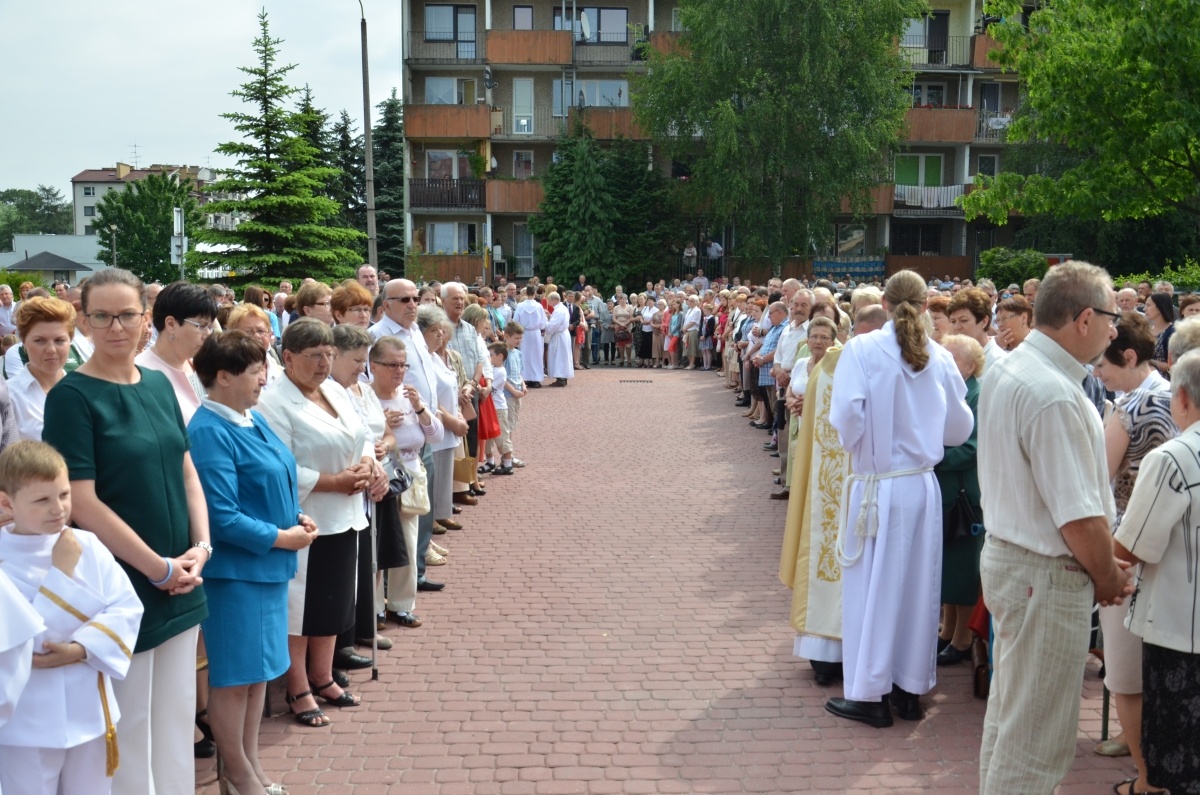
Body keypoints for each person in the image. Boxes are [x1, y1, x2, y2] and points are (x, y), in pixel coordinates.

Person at [42, 268, 210, 795]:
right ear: (85, 321)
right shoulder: (71, 396)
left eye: (127, 315)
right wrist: (157, 568)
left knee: (177, 719)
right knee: (130, 726)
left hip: (182, 578)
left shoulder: (159, 383)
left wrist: (200, 548)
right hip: (123, 585)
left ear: (146, 318)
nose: (116, 327)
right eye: (102, 316)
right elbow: (82, 502)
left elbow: (186, 471)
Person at [977, 261, 1133, 794]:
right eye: (1111, 319)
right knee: (1035, 744)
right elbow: (1078, 518)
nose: (1114, 332)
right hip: (1043, 573)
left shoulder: (1016, 369)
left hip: (1018, 562)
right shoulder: (1054, 392)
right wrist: (1107, 577)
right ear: (1085, 318)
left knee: (1013, 721)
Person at [825, 270, 973, 729]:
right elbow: (959, 429)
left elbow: (846, 417)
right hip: (921, 486)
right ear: (926, 305)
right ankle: (909, 691)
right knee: (917, 589)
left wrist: (866, 448)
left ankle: (871, 694)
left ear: (884, 304)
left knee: (873, 589)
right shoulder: (940, 355)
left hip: (878, 485)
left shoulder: (863, 349)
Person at [189, 332, 316, 794]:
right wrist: (283, 537)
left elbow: (276, 476)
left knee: (258, 674)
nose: (265, 378)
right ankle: (238, 773)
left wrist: (295, 515)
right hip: (235, 575)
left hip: (266, 569)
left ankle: (249, 765)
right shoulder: (208, 430)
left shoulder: (250, 418)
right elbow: (221, 515)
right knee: (234, 678)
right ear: (223, 377)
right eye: (256, 370)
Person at [257, 319, 386, 727]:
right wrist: (334, 481)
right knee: (302, 609)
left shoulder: (335, 390)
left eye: (329, 354)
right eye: (314, 356)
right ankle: (297, 687)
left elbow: (361, 435)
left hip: (348, 515)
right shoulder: (272, 403)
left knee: (334, 602)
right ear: (288, 357)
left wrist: (367, 463)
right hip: (307, 517)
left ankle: (323, 676)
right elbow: (279, 466)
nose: (324, 364)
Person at [0, 440, 143, 795]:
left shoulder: (87, 544)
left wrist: (80, 649)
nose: (58, 509)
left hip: (89, 711)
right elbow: (29, 643)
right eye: (41, 500)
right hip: (26, 724)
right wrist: (61, 575)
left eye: (64, 495)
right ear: (6, 503)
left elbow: (127, 608)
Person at [1091, 311, 1176, 792]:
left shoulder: (1131, 408)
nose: (1097, 374)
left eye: (1103, 365)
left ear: (1128, 356)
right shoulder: (1172, 394)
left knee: (1126, 672)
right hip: (1172, 546)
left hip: (1129, 542)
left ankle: (1146, 778)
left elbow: (1096, 477)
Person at [1115, 347, 1200, 795]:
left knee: (1181, 759)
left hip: (1181, 630)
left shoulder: (1174, 457)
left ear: (1181, 397)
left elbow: (1132, 546)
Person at [778, 316, 844, 684]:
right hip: (830, 476)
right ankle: (824, 654)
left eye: (824, 336)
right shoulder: (827, 366)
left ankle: (832, 655)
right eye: (814, 336)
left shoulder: (840, 364)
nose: (818, 341)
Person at [371, 279, 444, 592]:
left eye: (416, 298)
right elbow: (367, 387)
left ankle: (417, 573)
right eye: (405, 300)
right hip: (395, 442)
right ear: (386, 304)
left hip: (422, 430)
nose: (413, 304)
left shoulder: (415, 331)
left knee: (420, 512)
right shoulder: (377, 336)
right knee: (396, 524)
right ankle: (391, 588)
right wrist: (380, 418)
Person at [933, 335, 985, 667]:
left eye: (954, 359)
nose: (947, 364)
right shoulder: (949, 390)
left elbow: (972, 447)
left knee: (964, 566)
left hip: (965, 494)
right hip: (946, 490)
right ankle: (948, 630)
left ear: (971, 365)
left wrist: (932, 458)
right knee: (948, 565)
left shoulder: (977, 394)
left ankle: (963, 638)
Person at [136, 282, 217, 425]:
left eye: (210, 327)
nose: (207, 334)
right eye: (201, 326)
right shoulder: (138, 374)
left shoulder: (201, 365)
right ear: (171, 324)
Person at [418, 306, 469, 533]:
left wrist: (458, 414)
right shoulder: (424, 360)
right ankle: (432, 519)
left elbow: (451, 387)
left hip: (449, 423)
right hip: (438, 424)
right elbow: (430, 399)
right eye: (434, 330)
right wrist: (452, 421)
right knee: (434, 475)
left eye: (441, 330)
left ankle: (442, 512)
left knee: (444, 473)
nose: (440, 334)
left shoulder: (436, 358)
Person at [9, 297, 76, 440]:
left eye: (59, 340)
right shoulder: (9, 397)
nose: (51, 349)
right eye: (40, 340)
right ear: (24, 342)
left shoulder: (84, 391)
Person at [948, 287, 1006, 369]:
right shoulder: (949, 357)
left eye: (963, 320)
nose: (957, 327)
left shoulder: (999, 362)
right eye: (953, 321)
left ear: (984, 321)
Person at [513, 286, 547, 387]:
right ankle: (536, 379)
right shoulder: (538, 306)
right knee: (537, 355)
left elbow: (515, 320)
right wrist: (541, 327)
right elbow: (543, 322)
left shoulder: (520, 305)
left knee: (525, 355)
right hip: (535, 332)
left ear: (526, 293)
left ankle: (525, 378)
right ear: (534, 293)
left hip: (524, 333)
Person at [544, 292, 574, 387]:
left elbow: (553, 326)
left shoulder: (558, 310)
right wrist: (550, 317)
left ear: (554, 299)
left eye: (549, 300)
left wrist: (545, 321)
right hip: (563, 335)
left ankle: (561, 378)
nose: (549, 303)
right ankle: (562, 377)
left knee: (559, 356)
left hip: (559, 336)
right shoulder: (562, 308)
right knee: (563, 356)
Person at [1145, 292, 1175, 374]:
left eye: (1148, 305)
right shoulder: (1146, 330)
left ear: (1159, 308)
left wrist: (1148, 361)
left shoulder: (1173, 333)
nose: (1144, 309)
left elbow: (1173, 366)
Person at [611, 293, 635, 367]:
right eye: (621, 298)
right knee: (620, 345)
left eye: (624, 299)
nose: (622, 300)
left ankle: (629, 360)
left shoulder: (630, 307)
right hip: (619, 328)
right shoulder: (616, 308)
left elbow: (631, 317)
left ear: (626, 299)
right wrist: (620, 324)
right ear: (619, 300)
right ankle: (621, 360)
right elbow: (614, 318)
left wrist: (625, 324)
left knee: (628, 345)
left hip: (628, 328)